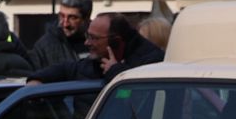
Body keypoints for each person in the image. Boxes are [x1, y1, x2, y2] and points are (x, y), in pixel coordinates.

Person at [29, 12, 164, 85]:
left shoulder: (152, 61)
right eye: (87, 35)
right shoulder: (96, 62)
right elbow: (67, 68)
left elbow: (139, 95)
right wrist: (37, 79)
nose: (87, 42)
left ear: (115, 42)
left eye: (94, 38)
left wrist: (116, 71)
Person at [28, 0, 94, 72]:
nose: (65, 23)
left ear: (86, 18)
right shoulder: (44, 47)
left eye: (72, 18)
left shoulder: (100, 42)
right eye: (62, 16)